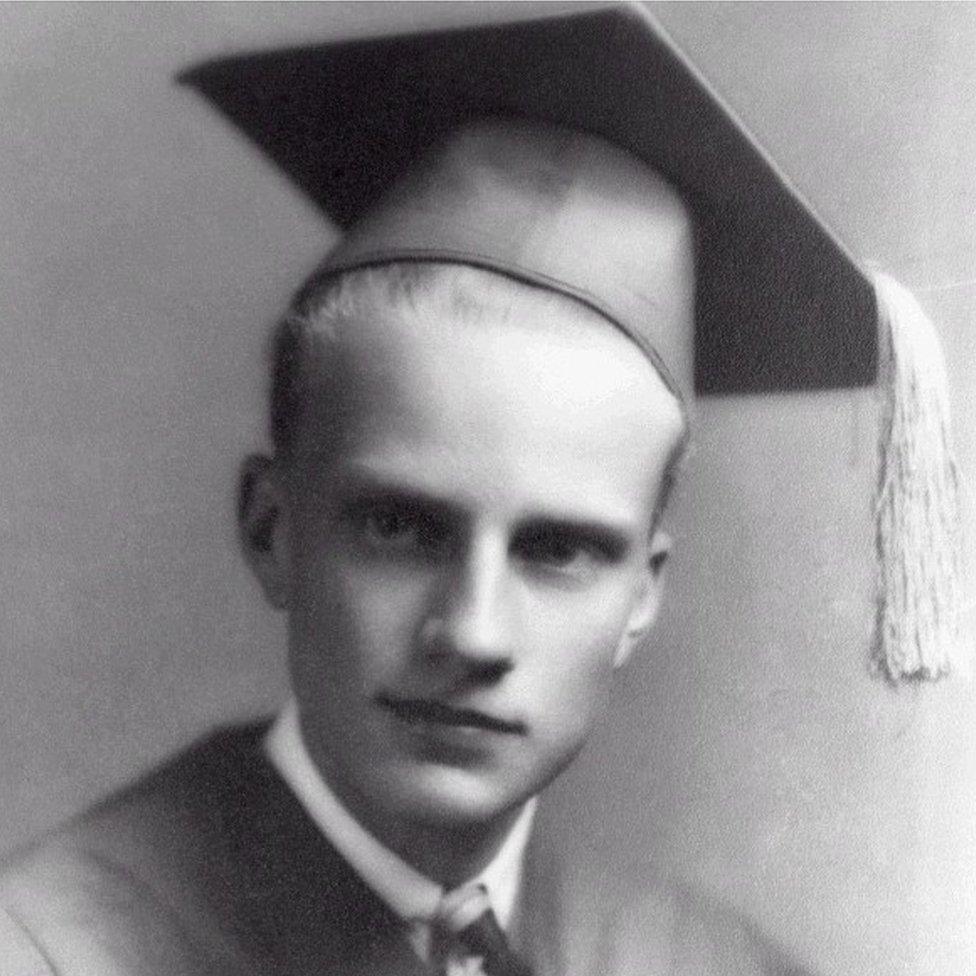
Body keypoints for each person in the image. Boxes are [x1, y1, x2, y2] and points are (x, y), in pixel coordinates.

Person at [0, 5, 886, 974]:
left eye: (558, 550)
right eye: (398, 526)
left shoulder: (710, 964)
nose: (470, 633)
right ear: (271, 528)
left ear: (642, 593)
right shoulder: (52, 949)